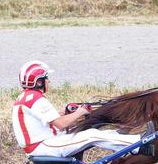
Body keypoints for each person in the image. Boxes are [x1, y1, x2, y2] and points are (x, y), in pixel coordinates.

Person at [11, 61, 144, 157]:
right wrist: (80, 111)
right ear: (39, 82)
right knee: (91, 135)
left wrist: (66, 110)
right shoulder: (36, 99)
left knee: (91, 132)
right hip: (43, 147)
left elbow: (50, 118)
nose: (49, 81)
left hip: (40, 145)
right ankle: (138, 143)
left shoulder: (25, 97)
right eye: (46, 78)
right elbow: (61, 124)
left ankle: (122, 138)